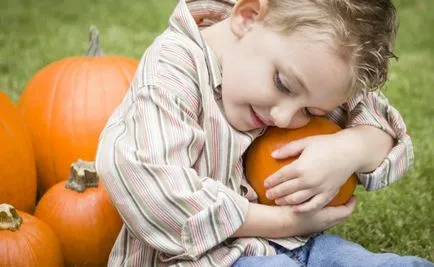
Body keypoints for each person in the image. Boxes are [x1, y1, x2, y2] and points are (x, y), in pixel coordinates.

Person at [95, 0, 433, 266]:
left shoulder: (310, 62)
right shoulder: (172, 72)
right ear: (248, 15)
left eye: (311, 112)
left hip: (301, 247)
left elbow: (390, 136)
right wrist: (286, 223)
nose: (284, 117)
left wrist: (352, 147)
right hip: (198, 260)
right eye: (282, 84)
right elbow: (152, 191)